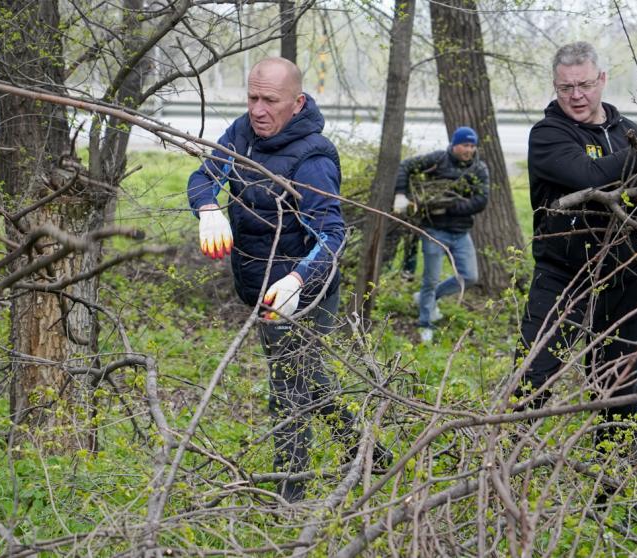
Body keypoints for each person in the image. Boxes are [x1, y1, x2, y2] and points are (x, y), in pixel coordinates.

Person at [186, 57, 384, 503]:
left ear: (296, 103)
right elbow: (204, 176)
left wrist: (298, 280)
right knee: (311, 383)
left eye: (269, 100)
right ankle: (369, 453)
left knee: (290, 391)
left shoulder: (312, 158)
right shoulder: (243, 132)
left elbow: (333, 237)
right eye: (252, 97)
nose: (258, 109)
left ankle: (289, 501)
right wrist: (208, 207)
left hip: (305, 294)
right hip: (263, 288)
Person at [514, 41, 637, 438]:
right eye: (565, 88)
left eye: (584, 85)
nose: (576, 96)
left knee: (618, 383)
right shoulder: (549, 133)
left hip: (621, 271)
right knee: (535, 370)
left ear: (601, 79)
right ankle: (505, 457)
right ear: (555, 86)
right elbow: (588, 175)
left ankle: (610, 480)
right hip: (563, 273)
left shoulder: (626, 132)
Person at [392, 126, 490, 343]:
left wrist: (448, 208)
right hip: (434, 232)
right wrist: (401, 194)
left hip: (461, 232)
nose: (469, 150)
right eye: (465, 145)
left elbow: (481, 200)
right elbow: (406, 165)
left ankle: (428, 298)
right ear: (454, 144)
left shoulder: (478, 169)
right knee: (430, 278)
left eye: (473, 146)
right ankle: (425, 323)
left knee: (469, 277)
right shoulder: (438, 160)